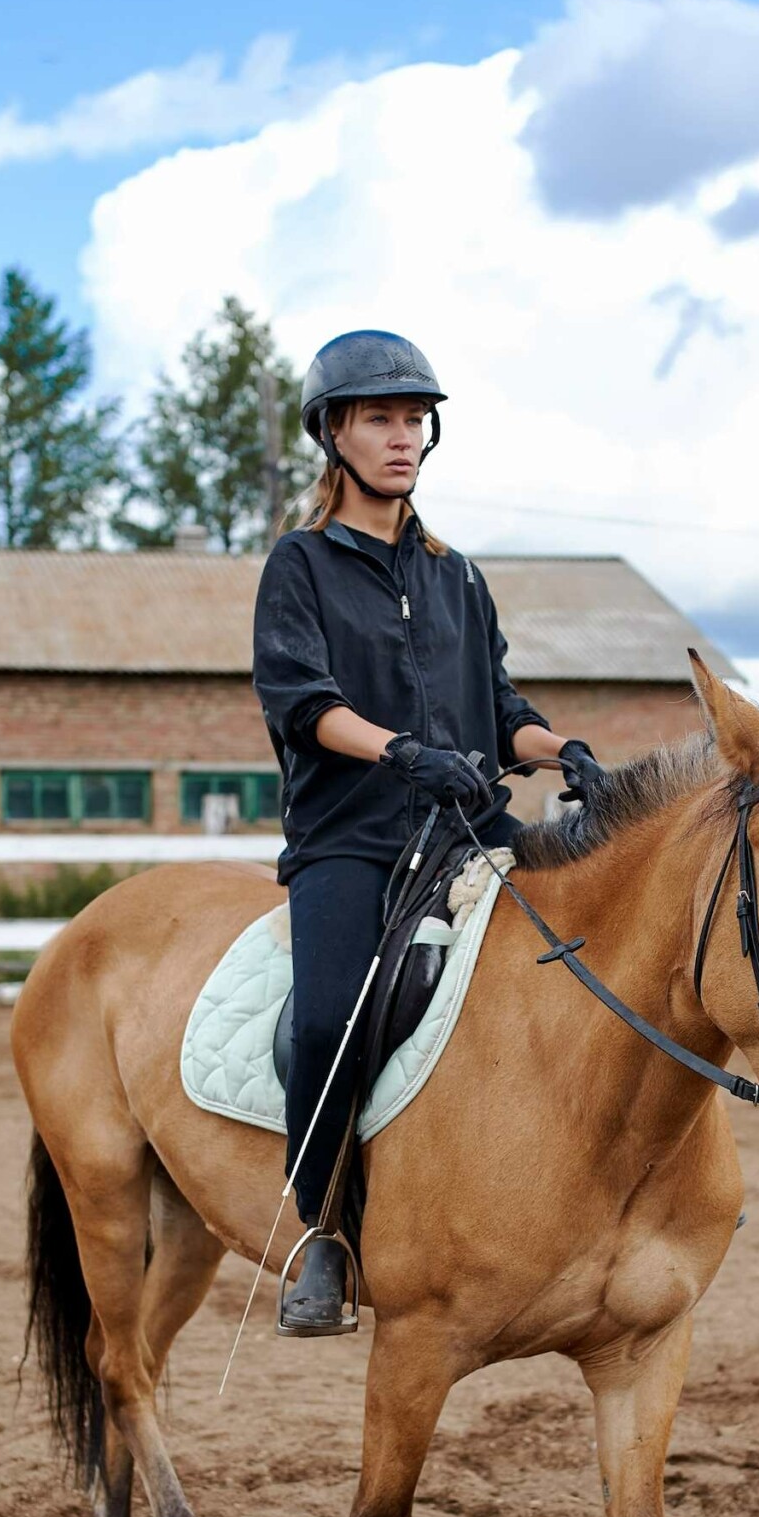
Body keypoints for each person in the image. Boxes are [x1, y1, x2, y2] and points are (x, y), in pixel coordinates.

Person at [253, 329, 607, 1333]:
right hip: (352, 841)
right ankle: (322, 1234)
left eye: (414, 419)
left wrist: (559, 748)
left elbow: (498, 708)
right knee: (326, 1019)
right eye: (379, 419)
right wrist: (402, 751)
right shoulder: (301, 567)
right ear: (335, 434)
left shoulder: (459, 578)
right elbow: (302, 700)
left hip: (472, 830)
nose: (401, 437)